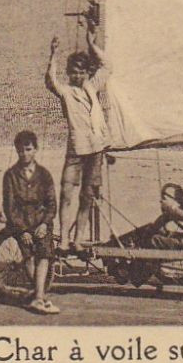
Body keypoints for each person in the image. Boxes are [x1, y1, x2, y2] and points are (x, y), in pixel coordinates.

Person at [44, 35, 111, 247]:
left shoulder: (93, 86)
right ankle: (64, 238)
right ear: (69, 73)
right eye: (73, 72)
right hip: (76, 150)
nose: (77, 75)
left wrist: (92, 44)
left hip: (96, 148)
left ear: (87, 72)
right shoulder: (67, 92)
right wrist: (53, 55)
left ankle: (78, 238)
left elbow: (107, 66)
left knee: (87, 195)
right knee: (66, 193)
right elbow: (50, 81)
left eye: (81, 72)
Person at [1, 130, 59, 315]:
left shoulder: (44, 175)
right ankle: (39, 296)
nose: (24, 154)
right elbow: (10, 206)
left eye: (28, 149)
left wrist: (44, 224)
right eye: (20, 151)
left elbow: (51, 203)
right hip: (21, 221)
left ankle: (38, 296)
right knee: (28, 254)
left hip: (41, 221)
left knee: (44, 254)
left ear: (36, 150)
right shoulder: (10, 175)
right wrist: (22, 230)